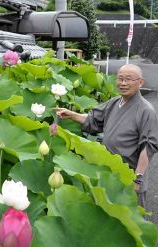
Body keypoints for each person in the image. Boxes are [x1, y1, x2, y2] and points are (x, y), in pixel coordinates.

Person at [55, 64, 158, 206]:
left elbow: (148, 147)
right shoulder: (114, 103)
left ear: (140, 83)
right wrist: (73, 115)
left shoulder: (146, 111)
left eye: (128, 79)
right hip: (108, 172)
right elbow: (93, 119)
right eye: (120, 79)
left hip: (129, 174)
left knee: (129, 220)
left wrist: (137, 179)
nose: (123, 83)